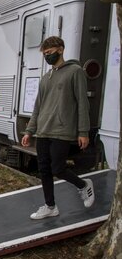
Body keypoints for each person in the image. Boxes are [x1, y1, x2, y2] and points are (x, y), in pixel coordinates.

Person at [22, 36, 94, 220]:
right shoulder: (46, 78)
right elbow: (38, 106)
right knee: (44, 170)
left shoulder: (75, 71)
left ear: (60, 50)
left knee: (58, 168)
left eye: (50, 52)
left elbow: (82, 103)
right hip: (43, 130)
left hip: (62, 130)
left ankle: (83, 185)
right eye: (45, 54)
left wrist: (83, 131)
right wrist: (29, 131)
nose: (47, 56)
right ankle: (50, 206)